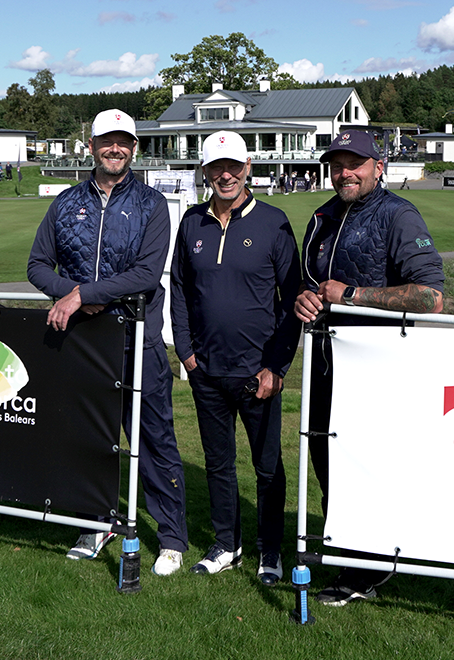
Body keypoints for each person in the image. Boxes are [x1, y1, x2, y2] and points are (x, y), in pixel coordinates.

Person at [27, 108, 189, 576]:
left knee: (154, 441)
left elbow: (146, 274)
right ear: (92, 146)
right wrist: (74, 294)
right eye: (106, 141)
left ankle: (171, 537)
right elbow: (37, 265)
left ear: (133, 148)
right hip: (83, 343)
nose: (114, 148)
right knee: (88, 439)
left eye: (123, 141)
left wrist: (84, 295)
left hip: (137, 341)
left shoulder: (152, 204)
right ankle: (96, 523)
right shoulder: (65, 202)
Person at [293, 130, 444, 607]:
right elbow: (310, 284)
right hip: (324, 368)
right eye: (337, 164)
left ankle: (367, 569)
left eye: (355, 163)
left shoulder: (398, 214)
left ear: (378, 166)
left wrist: (353, 295)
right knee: (327, 466)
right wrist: (304, 299)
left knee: (364, 470)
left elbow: (431, 296)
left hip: (376, 374)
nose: (345, 173)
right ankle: (350, 551)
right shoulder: (322, 217)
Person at [171, 131, 300, 585]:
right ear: (205, 172)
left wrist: (277, 367)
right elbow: (180, 290)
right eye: (216, 167)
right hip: (206, 371)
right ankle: (227, 543)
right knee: (218, 463)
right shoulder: (192, 222)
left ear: (247, 167)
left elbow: (292, 301)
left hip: (258, 373)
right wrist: (186, 352)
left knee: (268, 467)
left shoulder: (274, 222)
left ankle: (270, 549)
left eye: (232, 166)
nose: (225, 175)